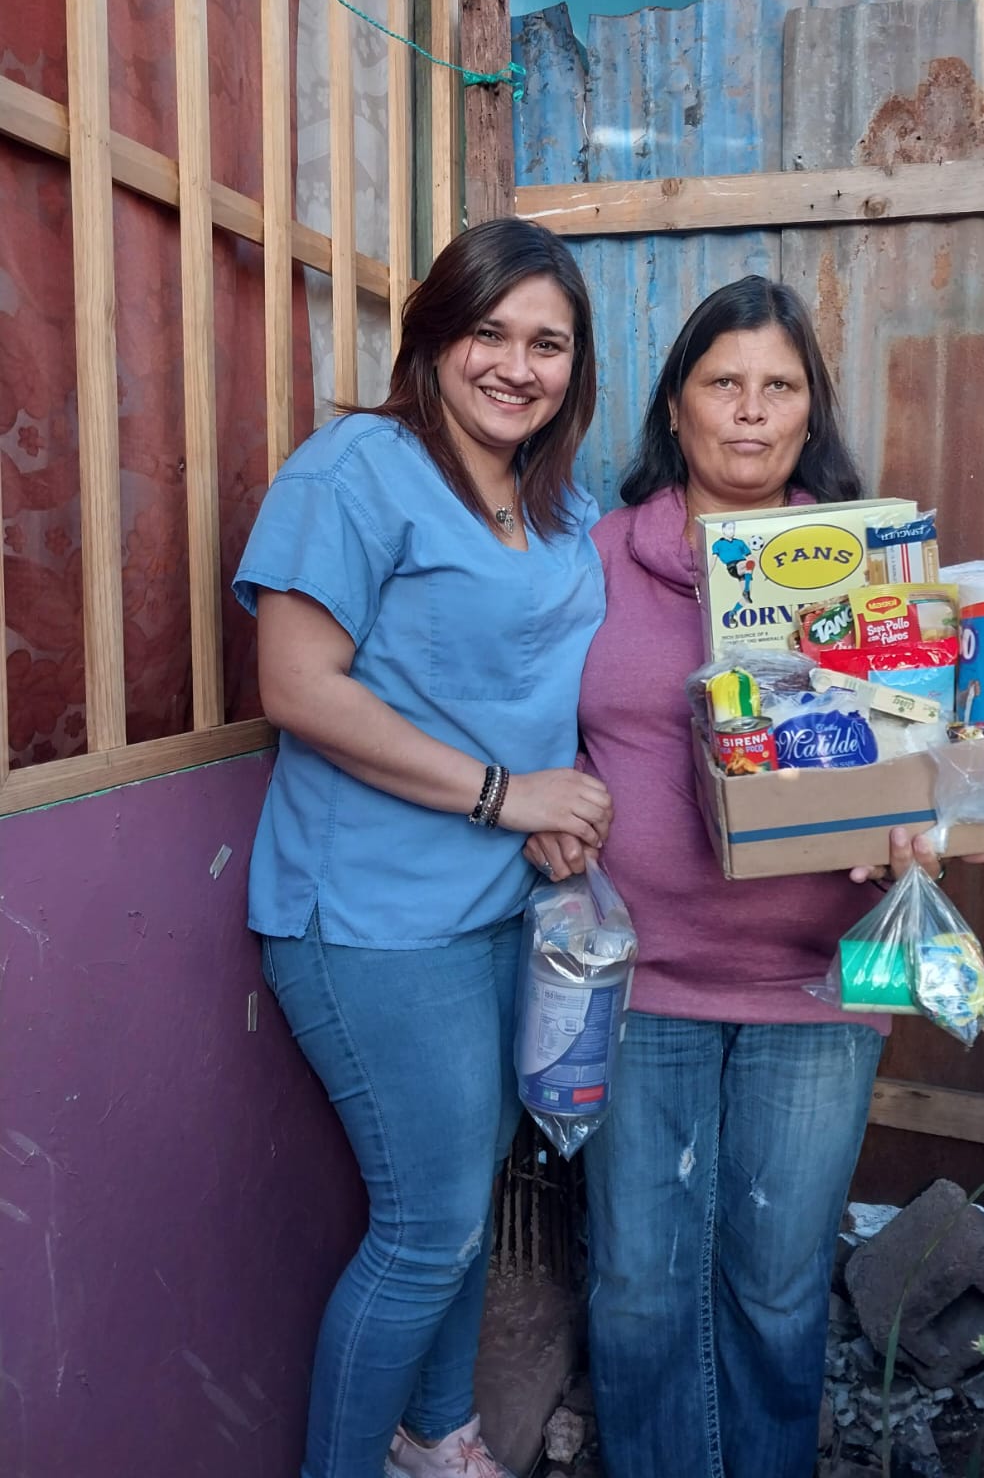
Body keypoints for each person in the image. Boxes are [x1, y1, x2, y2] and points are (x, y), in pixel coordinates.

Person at [527, 275, 984, 1478]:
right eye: (721, 383)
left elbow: (932, 741)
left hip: (815, 983)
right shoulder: (592, 561)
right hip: (640, 984)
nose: (747, 411)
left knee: (777, 1287)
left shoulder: (873, 565)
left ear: (806, 412)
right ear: (674, 407)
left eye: (776, 386)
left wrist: (923, 816)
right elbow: (532, 717)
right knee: (635, 1287)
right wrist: (544, 802)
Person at [232, 218, 612, 1478]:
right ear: (435, 336)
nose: (517, 365)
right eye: (488, 332)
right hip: (372, 919)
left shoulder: (556, 501)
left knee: (459, 1217)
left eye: (547, 343)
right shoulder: (356, 468)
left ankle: (437, 1434)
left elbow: (553, 687)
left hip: (500, 912)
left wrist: (563, 813)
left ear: (577, 365)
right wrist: (512, 795)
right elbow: (297, 683)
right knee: (427, 1227)